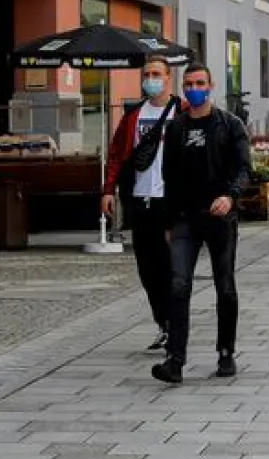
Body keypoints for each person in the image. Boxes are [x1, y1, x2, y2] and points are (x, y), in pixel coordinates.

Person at [151, 64, 251, 385]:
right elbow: (168, 177)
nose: (195, 88)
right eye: (190, 83)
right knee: (178, 285)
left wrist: (230, 197)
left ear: (211, 85)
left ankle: (225, 352)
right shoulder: (177, 128)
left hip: (220, 218)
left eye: (200, 83)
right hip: (184, 219)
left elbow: (243, 169)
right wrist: (168, 220)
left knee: (225, 286)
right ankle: (175, 361)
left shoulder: (230, 125)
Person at [101, 57, 185, 351]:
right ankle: (163, 323)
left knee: (171, 267)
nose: (151, 79)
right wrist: (108, 190)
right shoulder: (133, 115)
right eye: (146, 74)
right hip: (140, 199)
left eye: (156, 74)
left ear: (168, 78)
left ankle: (175, 326)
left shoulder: (182, 112)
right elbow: (116, 154)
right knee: (147, 269)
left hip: (170, 201)